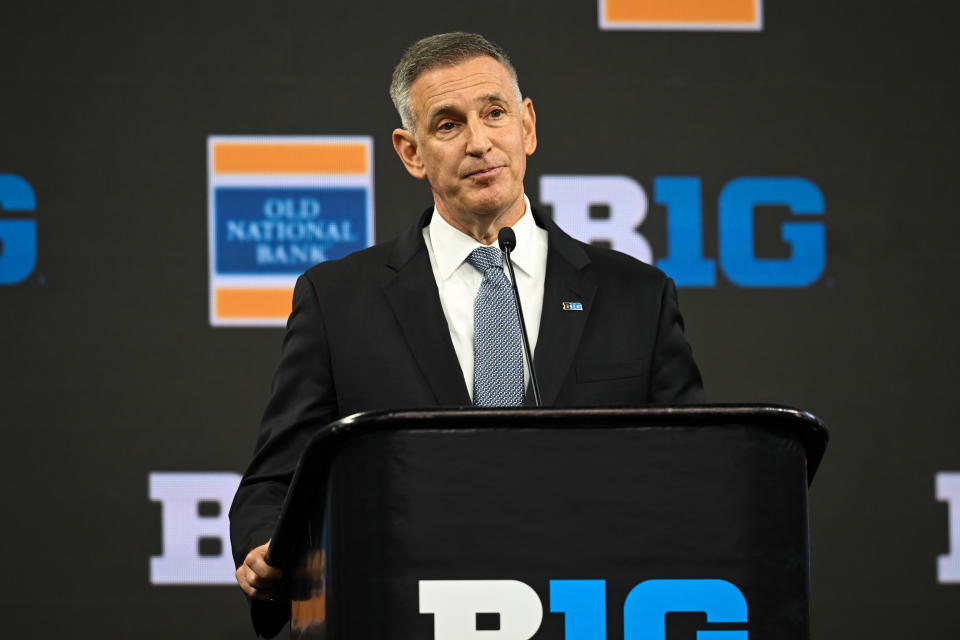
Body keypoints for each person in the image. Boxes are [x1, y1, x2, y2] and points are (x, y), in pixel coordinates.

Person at [230, 31, 703, 628]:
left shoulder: (637, 296)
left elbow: (695, 474)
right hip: (408, 612)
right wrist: (259, 547)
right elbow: (275, 479)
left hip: (592, 611)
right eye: (448, 125)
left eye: (495, 113)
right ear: (411, 151)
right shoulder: (338, 299)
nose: (480, 143)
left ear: (527, 125)